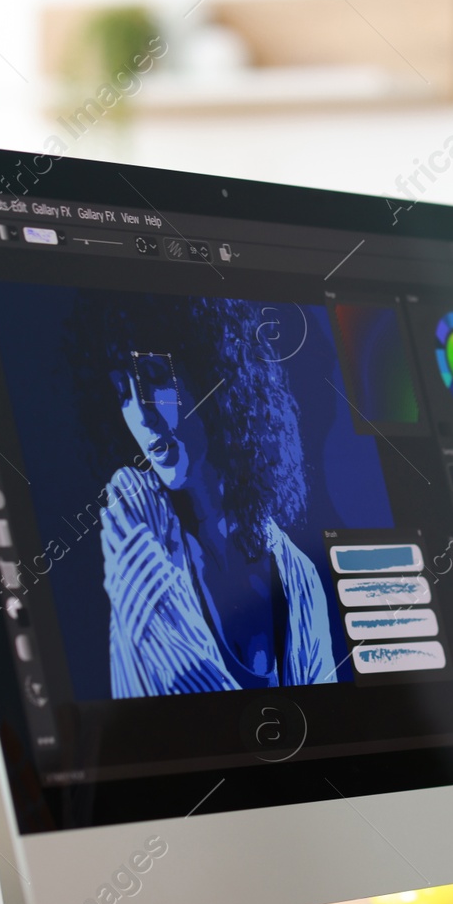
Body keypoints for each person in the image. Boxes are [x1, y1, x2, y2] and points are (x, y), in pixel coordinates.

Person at [68, 293, 337, 696]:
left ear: (215, 377)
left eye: (156, 376)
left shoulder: (298, 575)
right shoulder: (133, 517)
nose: (141, 416)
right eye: (123, 392)